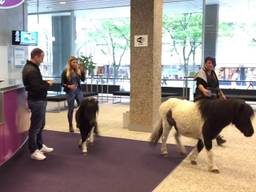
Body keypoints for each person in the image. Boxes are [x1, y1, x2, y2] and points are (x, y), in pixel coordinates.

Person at [22, 48, 54, 160]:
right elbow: (36, 89)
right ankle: (33, 150)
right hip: (36, 101)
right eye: (42, 57)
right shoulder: (31, 70)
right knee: (35, 127)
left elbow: (37, 84)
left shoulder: (32, 68)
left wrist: (45, 82)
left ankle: (39, 146)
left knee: (40, 125)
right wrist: (48, 85)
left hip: (38, 100)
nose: (43, 59)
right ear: (36, 56)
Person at [194, 56, 227, 146]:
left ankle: (216, 135)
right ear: (205, 63)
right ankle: (216, 136)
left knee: (215, 116)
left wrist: (222, 95)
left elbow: (217, 87)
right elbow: (199, 84)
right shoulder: (201, 72)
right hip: (202, 97)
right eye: (208, 62)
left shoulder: (213, 73)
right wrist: (204, 90)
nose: (210, 64)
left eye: (212, 63)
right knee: (209, 117)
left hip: (212, 97)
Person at [61, 56, 85, 132]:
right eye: (73, 62)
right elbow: (62, 83)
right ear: (70, 63)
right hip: (70, 92)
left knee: (82, 108)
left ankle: (79, 123)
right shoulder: (65, 71)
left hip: (78, 91)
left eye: (76, 62)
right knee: (70, 109)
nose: (75, 64)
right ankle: (70, 125)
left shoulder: (78, 70)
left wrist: (82, 73)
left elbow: (83, 80)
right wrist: (69, 86)